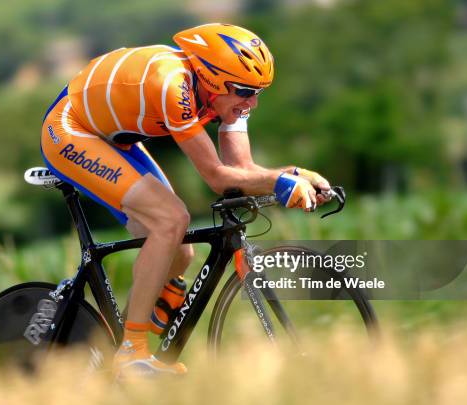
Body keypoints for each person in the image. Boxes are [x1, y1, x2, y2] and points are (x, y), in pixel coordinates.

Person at [40, 23, 331, 378]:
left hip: (113, 136)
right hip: (70, 130)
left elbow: (242, 169)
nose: (252, 102)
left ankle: (116, 347)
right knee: (171, 220)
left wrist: (297, 173)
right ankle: (131, 352)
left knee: (180, 251)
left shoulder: (230, 95)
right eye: (244, 91)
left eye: (258, 92)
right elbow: (217, 177)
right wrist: (281, 183)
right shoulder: (172, 87)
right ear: (210, 79)